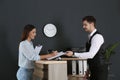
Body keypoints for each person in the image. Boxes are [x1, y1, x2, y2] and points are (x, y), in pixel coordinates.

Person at [66, 16, 107, 80]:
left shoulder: (97, 37)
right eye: (83, 25)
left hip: (99, 70)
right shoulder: (90, 36)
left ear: (92, 24)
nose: (83, 27)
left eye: (85, 25)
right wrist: (88, 70)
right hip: (94, 69)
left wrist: (73, 53)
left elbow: (91, 55)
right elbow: (91, 57)